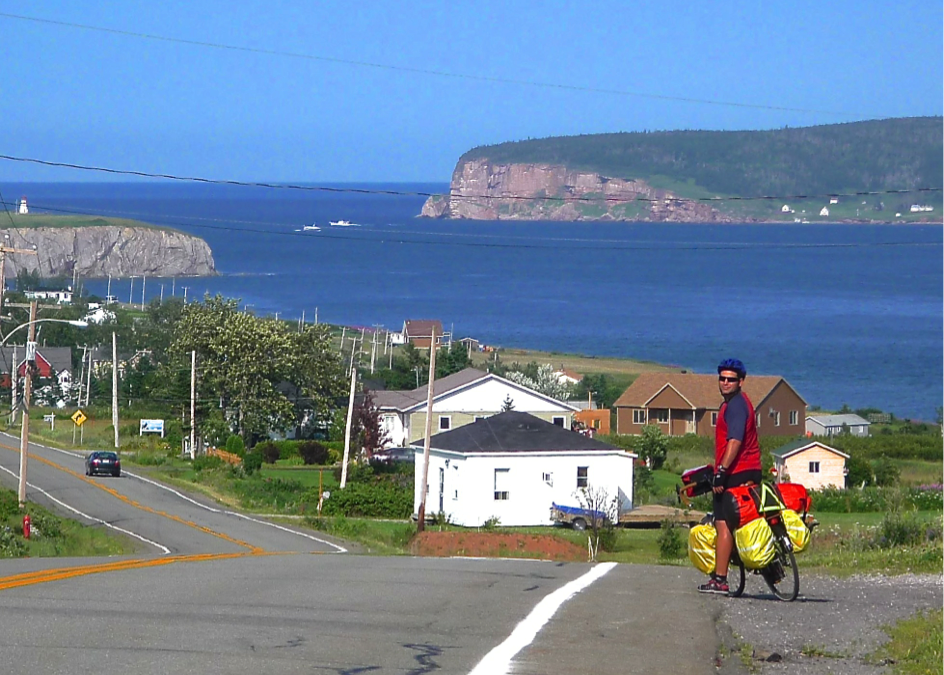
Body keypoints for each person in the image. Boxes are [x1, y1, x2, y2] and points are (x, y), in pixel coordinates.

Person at [697, 358, 762, 595]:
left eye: (731, 379)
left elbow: (734, 441)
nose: (725, 383)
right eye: (722, 378)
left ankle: (720, 579)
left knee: (722, 522)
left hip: (736, 471)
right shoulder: (741, 403)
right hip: (752, 468)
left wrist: (721, 473)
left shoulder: (735, 406)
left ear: (741, 382)